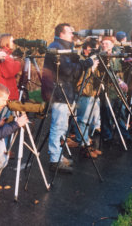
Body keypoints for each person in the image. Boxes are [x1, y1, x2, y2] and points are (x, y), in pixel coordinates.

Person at [41, 23, 96, 173]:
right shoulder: (57, 47)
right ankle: (54, 159)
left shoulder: (65, 47)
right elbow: (67, 70)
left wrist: (80, 61)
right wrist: (87, 63)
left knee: (63, 127)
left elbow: (72, 71)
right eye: (70, 32)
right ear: (61, 33)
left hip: (65, 91)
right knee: (57, 126)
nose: (73, 34)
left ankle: (58, 155)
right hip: (58, 92)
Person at [74, 40, 101, 158]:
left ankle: (87, 143)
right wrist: (92, 68)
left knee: (88, 120)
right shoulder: (80, 60)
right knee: (82, 120)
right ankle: (84, 146)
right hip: (83, 92)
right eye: (91, 50)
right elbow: (80, 79)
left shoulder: (90, 60)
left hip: (91, 93)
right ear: (86, 49)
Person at [0, 34, 22, 101]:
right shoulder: (2, 54)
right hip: (5, 88)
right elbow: (10, 71)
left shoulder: (5, 53)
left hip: (6, 87)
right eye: (12, 41)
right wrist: (19, 62)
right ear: (6, 41)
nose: (13, 43)